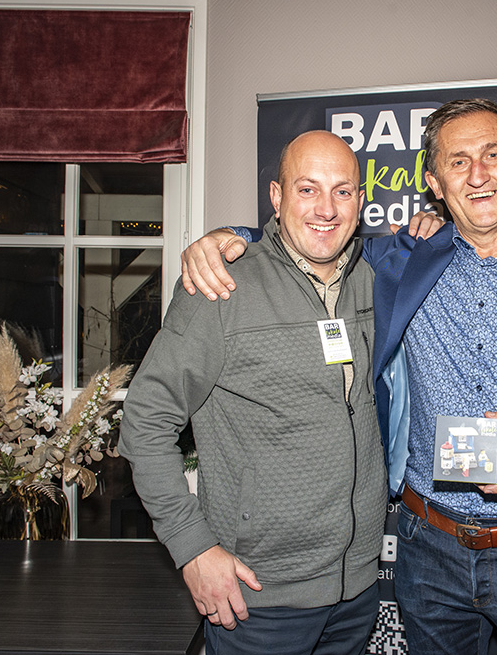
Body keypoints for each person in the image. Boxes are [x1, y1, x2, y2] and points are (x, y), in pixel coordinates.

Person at [181, 99, 497, 654]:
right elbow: (311, 235)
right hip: (429, 551)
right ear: (435, 183)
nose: (478, 175)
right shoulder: (402, 260)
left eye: (492, 155)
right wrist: (224, 238)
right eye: (458, 162)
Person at [120, 130, 394, 655]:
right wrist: (192, 548)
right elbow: (144, 421)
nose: (327, 208)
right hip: (258, 599)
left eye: (342, 191)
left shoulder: (372, 279)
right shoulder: (221, 286)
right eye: (307, 189)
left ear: (360, 202)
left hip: (358, 589)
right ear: (276, 195)